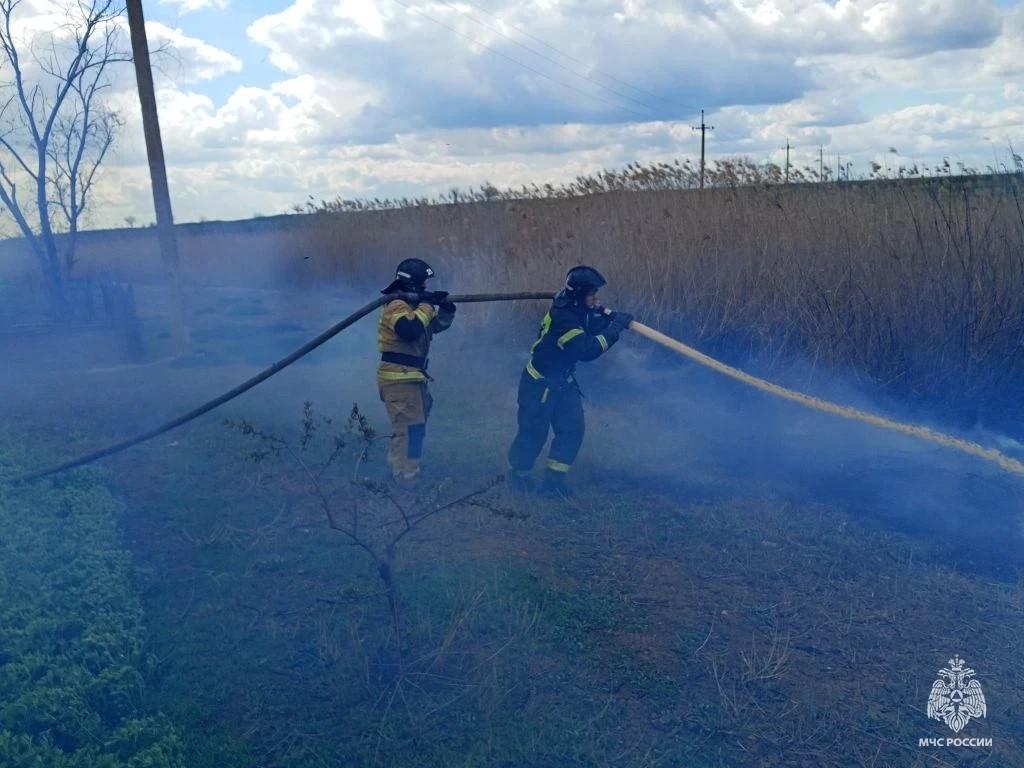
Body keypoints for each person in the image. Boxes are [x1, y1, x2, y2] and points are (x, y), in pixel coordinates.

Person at [507, 265, 632, 496]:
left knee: (572, 429)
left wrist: (609, 321)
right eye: (592, 294)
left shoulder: (573, 307)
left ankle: (553, 483)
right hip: (539, 385)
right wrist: (614, 329)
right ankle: (518, 476)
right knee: (533, 434)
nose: (596, 299)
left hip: (563, 382)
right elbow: (587, 350)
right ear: (579, 295)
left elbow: (587, 327)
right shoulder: (563, 317)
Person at [377, 258, 456, 481]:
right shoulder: (396, 305)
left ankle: (406, 468)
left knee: (415, 427)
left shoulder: (414, 307)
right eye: (423, 284)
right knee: (408, 428)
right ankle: (403, 475)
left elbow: (432, 327)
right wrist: (428, 305)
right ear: (412, 283)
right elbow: (409, 331)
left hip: (412, 377)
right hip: (398, 378)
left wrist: (446, 310)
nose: (425, 287)